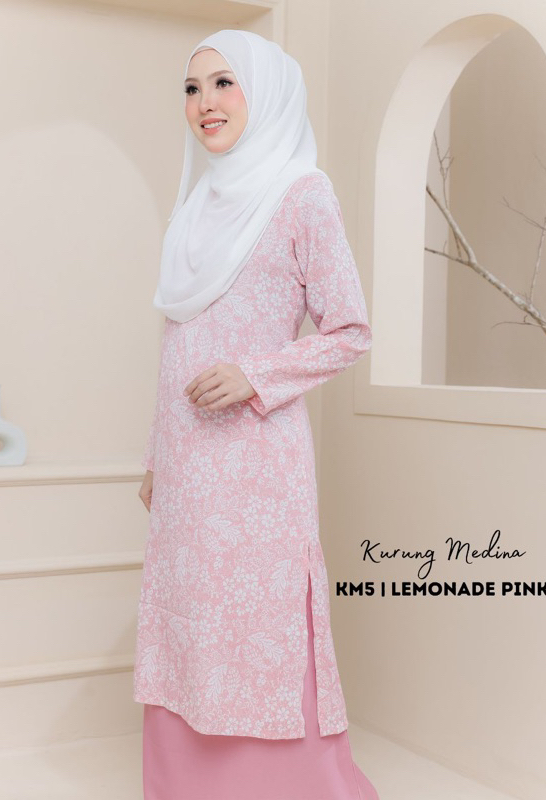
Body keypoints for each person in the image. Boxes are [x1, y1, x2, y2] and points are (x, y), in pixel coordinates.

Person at [134, 29, 379, 800]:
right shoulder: (195, 207)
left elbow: (350, 330)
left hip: (258, 468)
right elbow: (177, 345)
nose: (205, 103)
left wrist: (254, 375)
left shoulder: (302, 194)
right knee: (189, 624)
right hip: (187, 467)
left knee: (259, 623)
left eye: (224, 83)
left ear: (264, 93)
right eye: (192, 88)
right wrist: (157, 456)